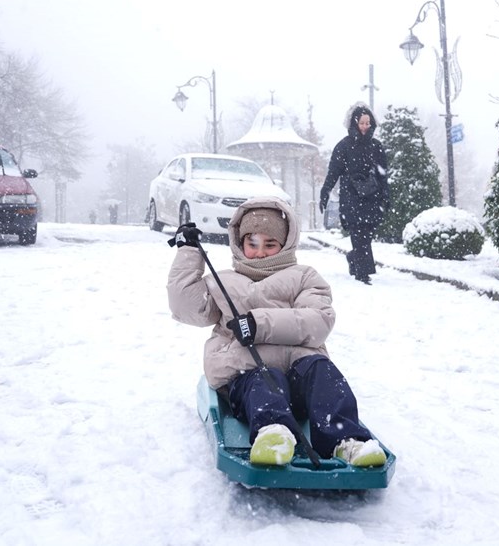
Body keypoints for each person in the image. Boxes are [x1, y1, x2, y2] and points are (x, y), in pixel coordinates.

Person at [166, 195, 387, 468]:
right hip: (248, 376)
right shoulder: (222, 281)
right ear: (240, 243)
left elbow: (317, 321)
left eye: (270, 245)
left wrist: (259, 325)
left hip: (301, 373)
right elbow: (186, 307)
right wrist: (188, 252)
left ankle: (347, 441)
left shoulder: (305, 277)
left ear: (285, 244)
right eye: (252, 244)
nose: (260, 252)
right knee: (264, 378)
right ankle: (273, 434)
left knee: (322, 370)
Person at [319, 105, 389, 284]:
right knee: (359, 233)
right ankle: (363, 272)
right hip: (351, 196)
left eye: (368, 122)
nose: (365, 126)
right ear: (354, 123)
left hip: (371, 196)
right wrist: (325, 192)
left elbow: (382, 174)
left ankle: (354, 258)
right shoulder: (343, 146)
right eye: (362, 122)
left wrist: (385, 195)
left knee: (367, 233)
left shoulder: (376, 146)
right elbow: (333, 172)